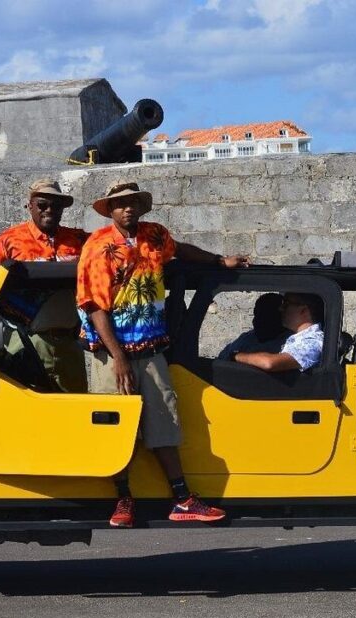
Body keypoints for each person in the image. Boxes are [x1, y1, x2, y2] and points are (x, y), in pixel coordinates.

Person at [76, 181, 249, 528]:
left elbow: (180, 251)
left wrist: (219, 260)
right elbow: (94, 306)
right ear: (110, 210)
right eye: (120, 204)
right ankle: (122, 498)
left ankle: (182, 498)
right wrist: (119, 358)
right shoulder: (98, 247)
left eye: (132, 203)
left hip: (151, 347)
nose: (127, 208)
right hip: (112, 353)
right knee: (116, 427)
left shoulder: (155, 235)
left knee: (163, 421)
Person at [0, 178, 89, 393]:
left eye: (56, 206)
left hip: (68, 343)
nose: (49, 210)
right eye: (42, 205)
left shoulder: (78, 240)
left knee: (73, 409)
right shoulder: (9, 241)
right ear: (30, 206)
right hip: (25, 341)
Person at [234, 293, 324, 372]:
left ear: (304, 310)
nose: (281, 309)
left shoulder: (313, 341)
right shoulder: (299, 338)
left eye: (286, 304)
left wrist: (236, 356)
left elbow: (269, 363)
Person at [218, 293, 290, 360]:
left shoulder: (291, 342)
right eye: (256, 314)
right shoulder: (247, 338)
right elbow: (223, 357)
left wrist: (236, 356)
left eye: (264, 315)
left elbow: (268, 364)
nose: (256, 320)